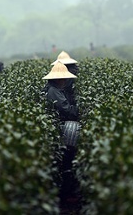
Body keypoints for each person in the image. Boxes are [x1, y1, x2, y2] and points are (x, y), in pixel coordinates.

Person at [42, 62, 80, 207]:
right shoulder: (54, 91)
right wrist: (79, 110)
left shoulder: (57, 89)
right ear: (58, 79)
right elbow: (64, 109)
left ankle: (66, 194)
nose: (65, 81)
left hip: (62, 127)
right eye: (63, 79)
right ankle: (64, 196)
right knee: (66, 160)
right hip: (61, 128)